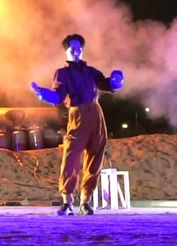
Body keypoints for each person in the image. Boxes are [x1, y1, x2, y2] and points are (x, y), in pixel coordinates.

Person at [30, 34, 124, 215]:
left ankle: (85, 202)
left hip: (96, 114)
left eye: (79, 48)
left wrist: (116, 80)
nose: (76, 51)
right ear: (65, 50)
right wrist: (43, 93)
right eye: (72, 48)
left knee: (95, 157)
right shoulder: (62, 73)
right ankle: (67, 201)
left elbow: (108, 85)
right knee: (71, 156)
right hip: (77, 114)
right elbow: (58, 96)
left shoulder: (91, 71)